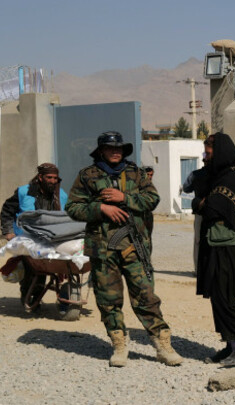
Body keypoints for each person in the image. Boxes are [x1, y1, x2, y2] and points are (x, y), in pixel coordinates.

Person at [65, 131, 183, 368]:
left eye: (120, 148)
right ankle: (119, 344)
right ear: (101, 150)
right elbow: (73, 207)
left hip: (134, 246)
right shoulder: (87, 176)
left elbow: (152, 200)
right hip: (103, 249)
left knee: (146, 296)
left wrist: (124, 198)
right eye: (111, 148)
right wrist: (101, 209)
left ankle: (162, 344)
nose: (116, 151)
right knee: (108, 299)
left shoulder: (136, 173)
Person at [194, 133, 235, 366]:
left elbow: (210, 208)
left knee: (227, 297)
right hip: (215, 244)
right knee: (217, 296)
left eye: (208, 154)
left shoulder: (233, 177)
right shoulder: (219, 176)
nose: (206, 158)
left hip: (228, 247)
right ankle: (231, 346)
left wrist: (200, 202)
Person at [0, 163, 68, 309]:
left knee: (50, 265)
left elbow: (68, 215)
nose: (52, 181)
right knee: (33, 271)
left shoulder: (61, 195)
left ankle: (53, 296)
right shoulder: (24, 192)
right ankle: (29, 296)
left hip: (53, 237)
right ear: (40, 177)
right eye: (49, 177)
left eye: (55, 178)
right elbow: (7, 210)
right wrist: (8, 231)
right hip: (28, 238)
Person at [182, 155, 210, 274]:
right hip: (213, 212)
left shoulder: (195, 174)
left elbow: (186, 188)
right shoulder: (220, 175)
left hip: (200, 212)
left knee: (198, 241)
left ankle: (199, 271)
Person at [142, 166, 155, 239]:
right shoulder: (139, 185)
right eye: (148, 174)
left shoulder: (151, 186)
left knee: (148, 237)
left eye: (151, 175)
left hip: (148, 214)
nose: (149, 177)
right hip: (141, 214)